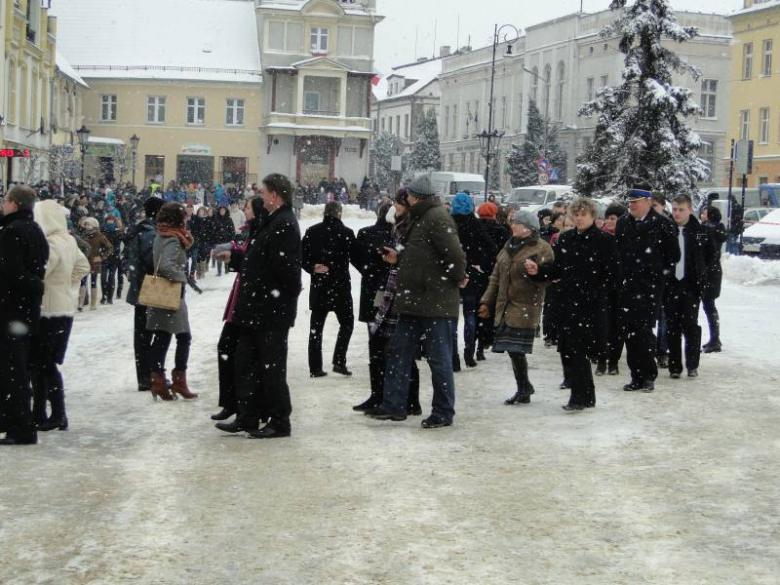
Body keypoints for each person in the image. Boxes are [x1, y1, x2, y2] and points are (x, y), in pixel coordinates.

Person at [369, 174, 467, 429]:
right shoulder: (419, 218)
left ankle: (443, 412)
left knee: (439, 358)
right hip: (412, 300)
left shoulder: (437, 218)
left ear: (417, 197)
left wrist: (456, 280)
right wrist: (398, 259)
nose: (406, 199)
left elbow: (455, 256)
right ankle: (394, 405)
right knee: (398, 352)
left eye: (409, 196)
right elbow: (420, 256)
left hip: (435, 302)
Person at [215, 173, 302, 439]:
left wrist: (273, 300)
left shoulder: (285, 223)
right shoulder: (273, 221)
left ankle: (280, 421)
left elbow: (288, 273)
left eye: (263, 192)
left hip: (269, 313)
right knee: (245, 364)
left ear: (274, 195)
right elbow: (260, 260)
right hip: (255, 310)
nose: (260, 196)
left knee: (272, 369)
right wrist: (237, 258)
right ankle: (247, 416)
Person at [526, 198, 620, 411]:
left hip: (591, 305)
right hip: (567, 302)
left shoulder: (604, 240)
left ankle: (579, 397)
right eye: (575, 214)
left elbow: (613, 275)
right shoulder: (566, 239)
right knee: (569, 350)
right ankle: (586, 395)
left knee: (579, 351)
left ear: (593, 216)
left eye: (583, 214)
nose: (579, 218)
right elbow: (557, 269)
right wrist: (538, 271)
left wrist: (597, 292)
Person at [478, 211, 553, 405]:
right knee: (513, 350)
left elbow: (548, 278)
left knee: (515, 348)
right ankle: (524, 387)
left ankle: (523, 387)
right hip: (505, 305)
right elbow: (495, 276)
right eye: (513, 222)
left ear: (528, 227)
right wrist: (486, 301)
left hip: (525, 305)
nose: (513, 225)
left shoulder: (541, 248)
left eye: (517, 223)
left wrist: (537, 272)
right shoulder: (507, 246)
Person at [31, 200, 91, 431]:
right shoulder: (68, 240)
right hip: (64, 309)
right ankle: (53, 413)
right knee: (47, 364)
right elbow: (83, 266)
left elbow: (41, 271)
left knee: (42, 365)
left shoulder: (51, 243)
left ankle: (53, 414)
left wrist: (50, 284)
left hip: (48, 309)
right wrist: (67, 284)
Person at [615, 187, 680, 393]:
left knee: (643, 332)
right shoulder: (623, 223)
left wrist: (657, 273)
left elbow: (674, 256)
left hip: (650, 287)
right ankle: (636, 376)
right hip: (628, 285)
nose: (631, 205)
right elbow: (619, 252)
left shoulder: (662, 224)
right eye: (630, 202)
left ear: (648, 202)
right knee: (630, 333)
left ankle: (648, 375)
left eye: (636, 201)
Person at [0, 186, 49, 445]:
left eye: (5, 200)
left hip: (11, 311)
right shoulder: (34, 229)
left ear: (15, 204)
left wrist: (31, 284)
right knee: (19, 368)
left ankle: (19, 426)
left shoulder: (12, 232)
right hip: (26, 311)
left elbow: (12, 272)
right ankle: (18, 422)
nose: (3, 204)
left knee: (12, 372)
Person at [210, 197, 267, 422]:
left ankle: (247, 408)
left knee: (241, 355)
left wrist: (234, 255)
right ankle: (232, 403)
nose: (245, 210)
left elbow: (254, 262)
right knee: (228, 350)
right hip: (241, 301)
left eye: (249, 207)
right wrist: (233, 253)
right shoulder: (253, 231)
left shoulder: (262, 232)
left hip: (249, 303)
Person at [146, 203, 198, 401]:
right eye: (184, 216)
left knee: (162, 336)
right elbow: (167, 265)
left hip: (162, 293)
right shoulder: (174, 239)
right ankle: (179, 380)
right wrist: (182, 277)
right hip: (171, 292)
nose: (186, 219)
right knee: (183, 337)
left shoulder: (162, 235)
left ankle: (157, 380)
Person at [302, 201, 356, 377]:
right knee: (347, 323)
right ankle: (339, 360)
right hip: (340, 286)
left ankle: (315, 367)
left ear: (325, 213)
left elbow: (300, 255)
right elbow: (358, 257)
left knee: (316, 328)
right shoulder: (347, 233)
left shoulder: (312, 232)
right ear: (339, 214)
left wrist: (312, 266)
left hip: (320, 286)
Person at [664, 195, 715, 379]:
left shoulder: (700, 232)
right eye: (675, 209)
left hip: (690, 286)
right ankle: (674, 366)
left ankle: (692, 364)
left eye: (681, 209)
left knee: (690, 325)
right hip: (670, 285)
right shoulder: (666, 229)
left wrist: (698, 273)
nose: (677, 213)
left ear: (690, 210)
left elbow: (710, 255)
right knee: (672, 326)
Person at [350, 201, 394, 411]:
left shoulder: (365, 234)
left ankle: (377, 393)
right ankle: (393, 395)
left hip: (372, 292)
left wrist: (369, 273)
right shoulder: (397, 237)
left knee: (375, 344)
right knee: (392, 346)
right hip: (392, 291)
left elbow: (357, 258)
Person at [450, 193, 497, 369]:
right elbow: (491, 247)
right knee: (470, 315)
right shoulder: (475, 223)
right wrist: (480, 264)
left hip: (452, 273)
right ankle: (469, 353)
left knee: (452, 318)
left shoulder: (449, 223)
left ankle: (454, 357)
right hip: (472, 274)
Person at [125, 197, 166, 392]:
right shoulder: (150, 233)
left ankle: (145, 375)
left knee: (142, 334)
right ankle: (148, 375)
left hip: (141, 288)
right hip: (150, 288)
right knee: (152, 333)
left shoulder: (141, 230)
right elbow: (153, 260)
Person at [476, 201, 511, 360]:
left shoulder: (475, 228)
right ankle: (487, 339)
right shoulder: (502, 230)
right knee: (492, 306)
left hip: (477, 272)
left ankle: (477, 340)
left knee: (478, 307)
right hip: (495, 273)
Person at [597, 203, 627, 375]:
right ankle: (602, 360)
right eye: (607, 218)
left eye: (613, 218)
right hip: (602, 287)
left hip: (620, 288)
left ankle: (613, 361)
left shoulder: (625, 238)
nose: (609, 221)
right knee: (602, 325)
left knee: (618, 327)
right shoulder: (600, 237)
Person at [700, 206, 728, 353]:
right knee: (709, 306)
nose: (701, 215)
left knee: (708, 306)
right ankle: (715, 338)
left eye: (704, 213)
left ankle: (715, 340)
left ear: (709, 216)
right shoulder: (719, 229)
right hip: (714, 272)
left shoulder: (707, 229)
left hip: (708, 272)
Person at [79, 216, 113, 311]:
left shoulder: (99, 235)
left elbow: (110, 247)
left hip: (95, 262)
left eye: (88, 224)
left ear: (93, 225)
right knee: (83, 282)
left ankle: (93, 304)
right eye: (85, 224)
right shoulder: (84, 235)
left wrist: (102, 257)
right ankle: (80, 303)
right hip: (84, 261)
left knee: (93, 282)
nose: (86, 226)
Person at [100, 214, 124, 304]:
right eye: (108, 220)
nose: (110, 222)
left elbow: (122, 242)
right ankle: (104, 296)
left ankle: (109, 297)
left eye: (111, 220)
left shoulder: (118, 232)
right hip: (104, 257)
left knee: (111, 277)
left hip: (114, 258)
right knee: (103, 278)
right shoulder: (102, 231)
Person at [211, 206, 235, 276]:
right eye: (221, 210)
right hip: (218, 240)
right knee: (219, 254)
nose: (222, 211)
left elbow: (232, 230)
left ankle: (226, 268)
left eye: (223, 210)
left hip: (227, 239)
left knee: (226, 254)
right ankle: (219, 271)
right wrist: (215, 236)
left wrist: (232, 238)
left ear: (226, 211)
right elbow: (213, 230)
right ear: (219, 211)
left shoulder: (229, 219)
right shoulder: (216, 219)